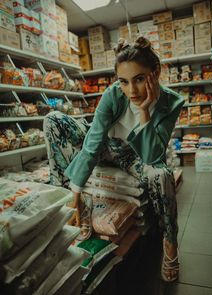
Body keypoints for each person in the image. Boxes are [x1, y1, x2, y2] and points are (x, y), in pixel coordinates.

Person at [43, 36, 184, 282]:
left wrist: (144, 111)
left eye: (139, 79)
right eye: (124, 82)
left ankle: (170, 243)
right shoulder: (112, 95)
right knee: (54, 119)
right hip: (104, 144)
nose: (132, 91)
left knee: (162, 174)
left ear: (156, 71)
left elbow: (153, 156)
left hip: (134, 154)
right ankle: (67, 193)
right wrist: (75, 191)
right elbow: (93, 141)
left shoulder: (171, 102)